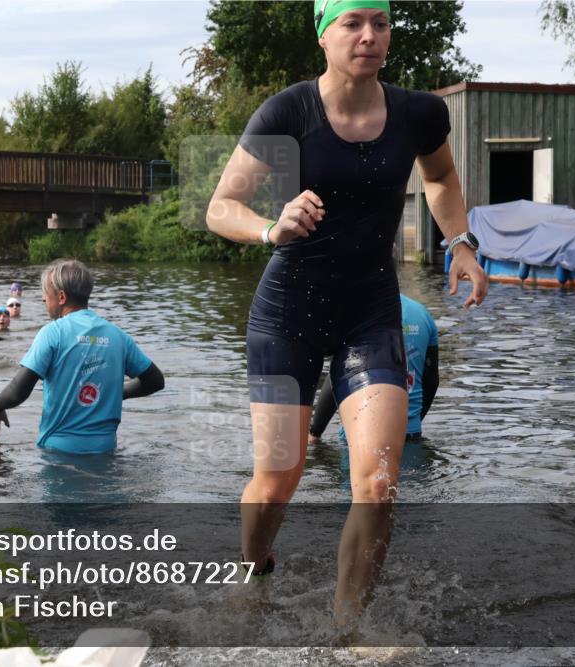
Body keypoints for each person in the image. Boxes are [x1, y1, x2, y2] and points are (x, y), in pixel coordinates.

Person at [204, 0, 487, 627]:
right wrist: (270, 228)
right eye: (352, 23)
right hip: (287, 316)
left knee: (379, 483)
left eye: (379, 23)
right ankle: (253, 567)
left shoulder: (420, 113)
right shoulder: (289, 111)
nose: (368, 35)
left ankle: (348, 628)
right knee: (278, 481)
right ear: (323, 35)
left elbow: (440, 178)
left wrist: (461, 243)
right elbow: (221, 207)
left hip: (370, 313)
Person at [0, 259, 164, 455]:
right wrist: (116, 393)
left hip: (58, 453)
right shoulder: (118, 336)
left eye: (46, 294)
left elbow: (17, 392)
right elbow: (155, 381)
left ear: (61, 297)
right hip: (106, 452)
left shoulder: (53, 333)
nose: (44, 299)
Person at [310, 294, 439, 444]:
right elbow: (431, 381)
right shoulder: (421, 312)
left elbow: (338, 376)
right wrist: (412, 423)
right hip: (410, 436)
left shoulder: (354, 311)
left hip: (359, 437)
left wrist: (315, 432)